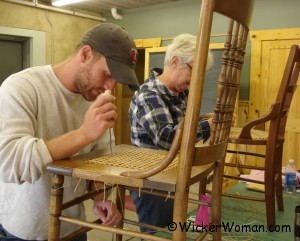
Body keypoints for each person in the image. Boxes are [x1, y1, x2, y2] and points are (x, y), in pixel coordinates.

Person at [0, 23, 139, 241]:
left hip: (73, 228)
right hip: (23, 232)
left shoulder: (93, 98)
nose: (109, 87)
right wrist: (83, 134)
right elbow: (9, 162)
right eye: (107, 74)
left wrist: (99, 196)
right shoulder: (21, 88)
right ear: (85, 55)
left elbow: (100, 159)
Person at [129, 33, 214, 233]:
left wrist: (205, 119)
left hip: (171, 172)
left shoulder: (180, 92)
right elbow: (167, 138)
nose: (195, 80)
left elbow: (183, 125)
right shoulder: (149, 94)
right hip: (151, 180)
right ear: (175, 61)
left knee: (171, 227)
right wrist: (209, 126)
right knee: (156, 233)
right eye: (194, 71)